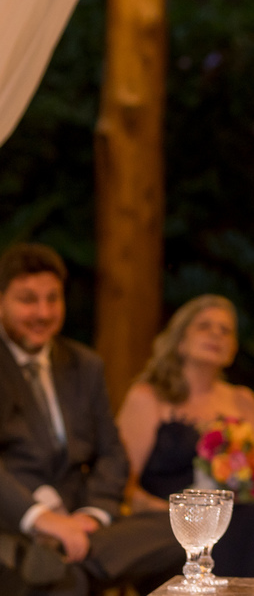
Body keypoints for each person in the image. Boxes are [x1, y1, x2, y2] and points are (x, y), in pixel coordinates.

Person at [0, 243, 182, 596]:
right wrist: (42, 519)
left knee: (180, 533)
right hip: (15, 522)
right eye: (28, 300)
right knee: (66, 581)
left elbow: (112, 453)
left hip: (83, 523)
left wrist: (91, 514)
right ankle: (63, 559)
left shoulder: (84, 365)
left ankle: (65, 557)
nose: (43, 312)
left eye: (52, 299)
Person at [116, 295, 254, 579]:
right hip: (170, 529)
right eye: (204, 326)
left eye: (226, 330)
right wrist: (178, 514)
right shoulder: (148, 398)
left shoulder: (243, 400)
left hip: (240, 521)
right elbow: (122, 485)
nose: (216, 335)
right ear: (179, 340)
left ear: (233, 348)